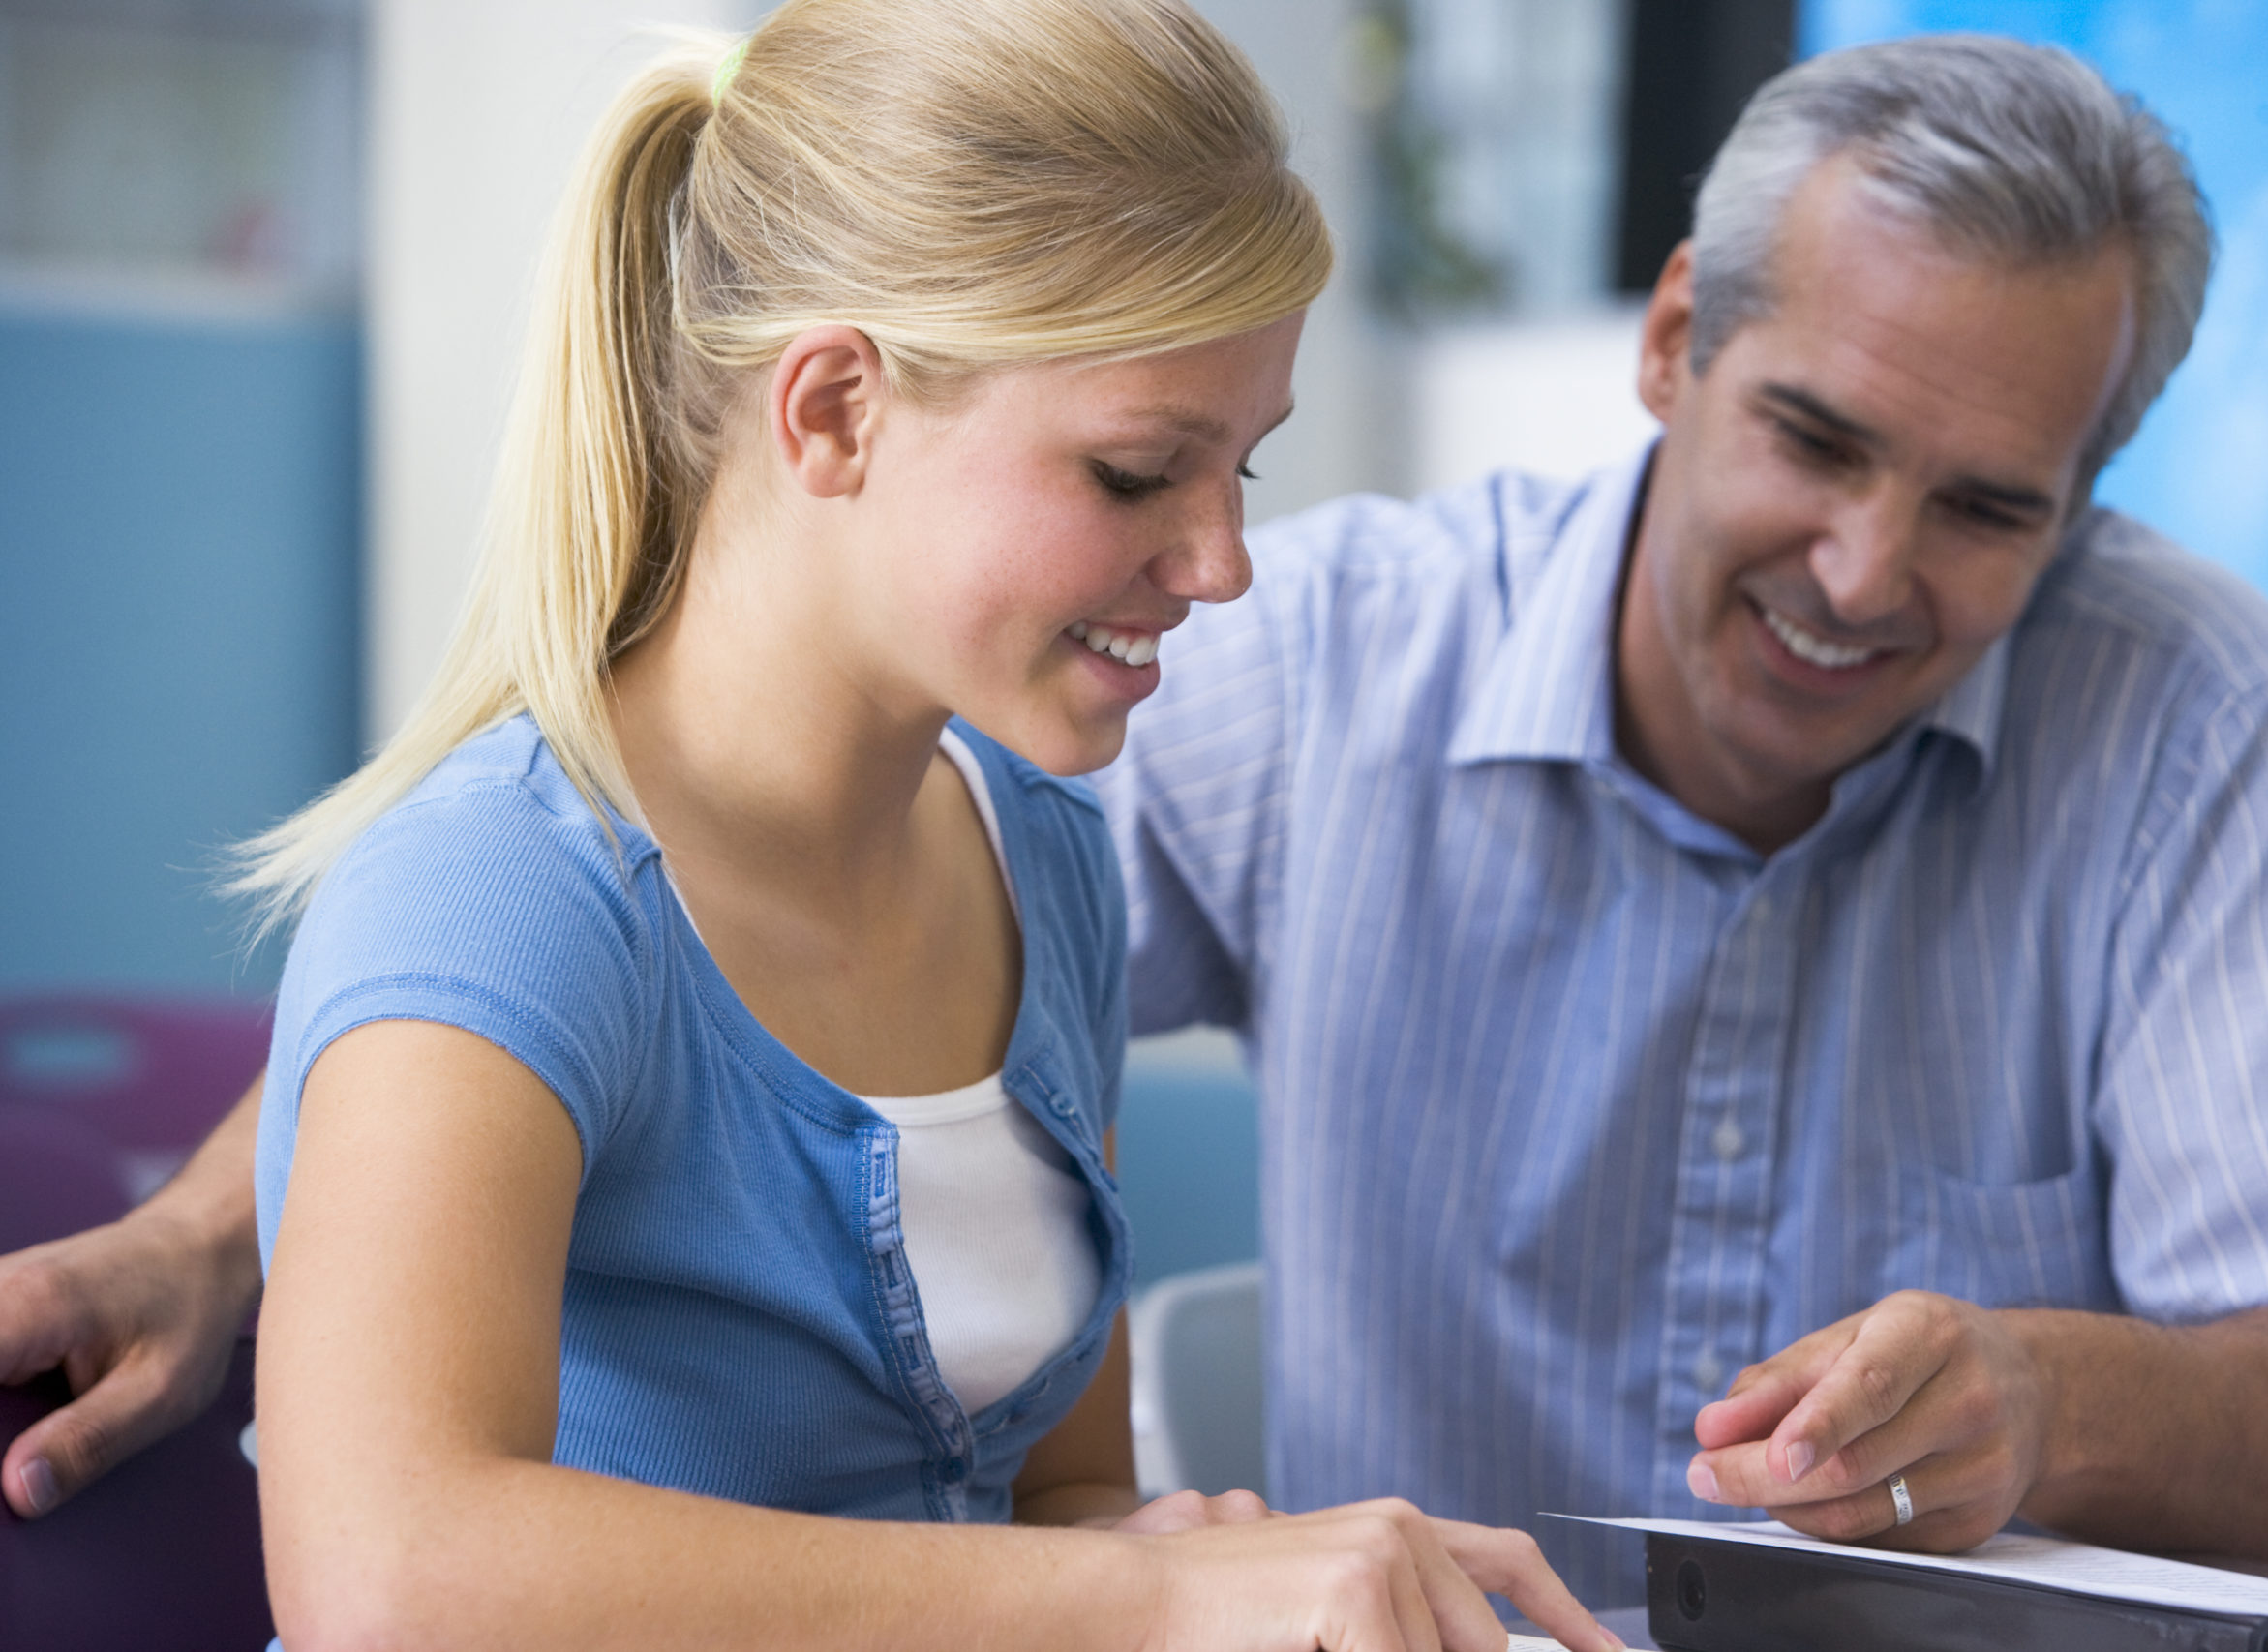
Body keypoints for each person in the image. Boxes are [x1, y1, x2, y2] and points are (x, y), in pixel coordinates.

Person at [6, 25, 2268, 1618]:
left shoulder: (1037, 838)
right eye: (1815, 441)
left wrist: (2044, 1398)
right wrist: (245, 1225)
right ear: (1668, 348)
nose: (1863, 571)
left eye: (1985, 508)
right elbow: (504, 1025)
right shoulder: (1259, 687)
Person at [0, 5, 1621, 1649]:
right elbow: (386, 1577)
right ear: (833, 410)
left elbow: (1046, 1507)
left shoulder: (1040, 855)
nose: (1220, 567)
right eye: (1140, 473)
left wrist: (1219, 1580)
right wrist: (1135, 1596)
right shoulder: (504, 888)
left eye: (1242, 476)